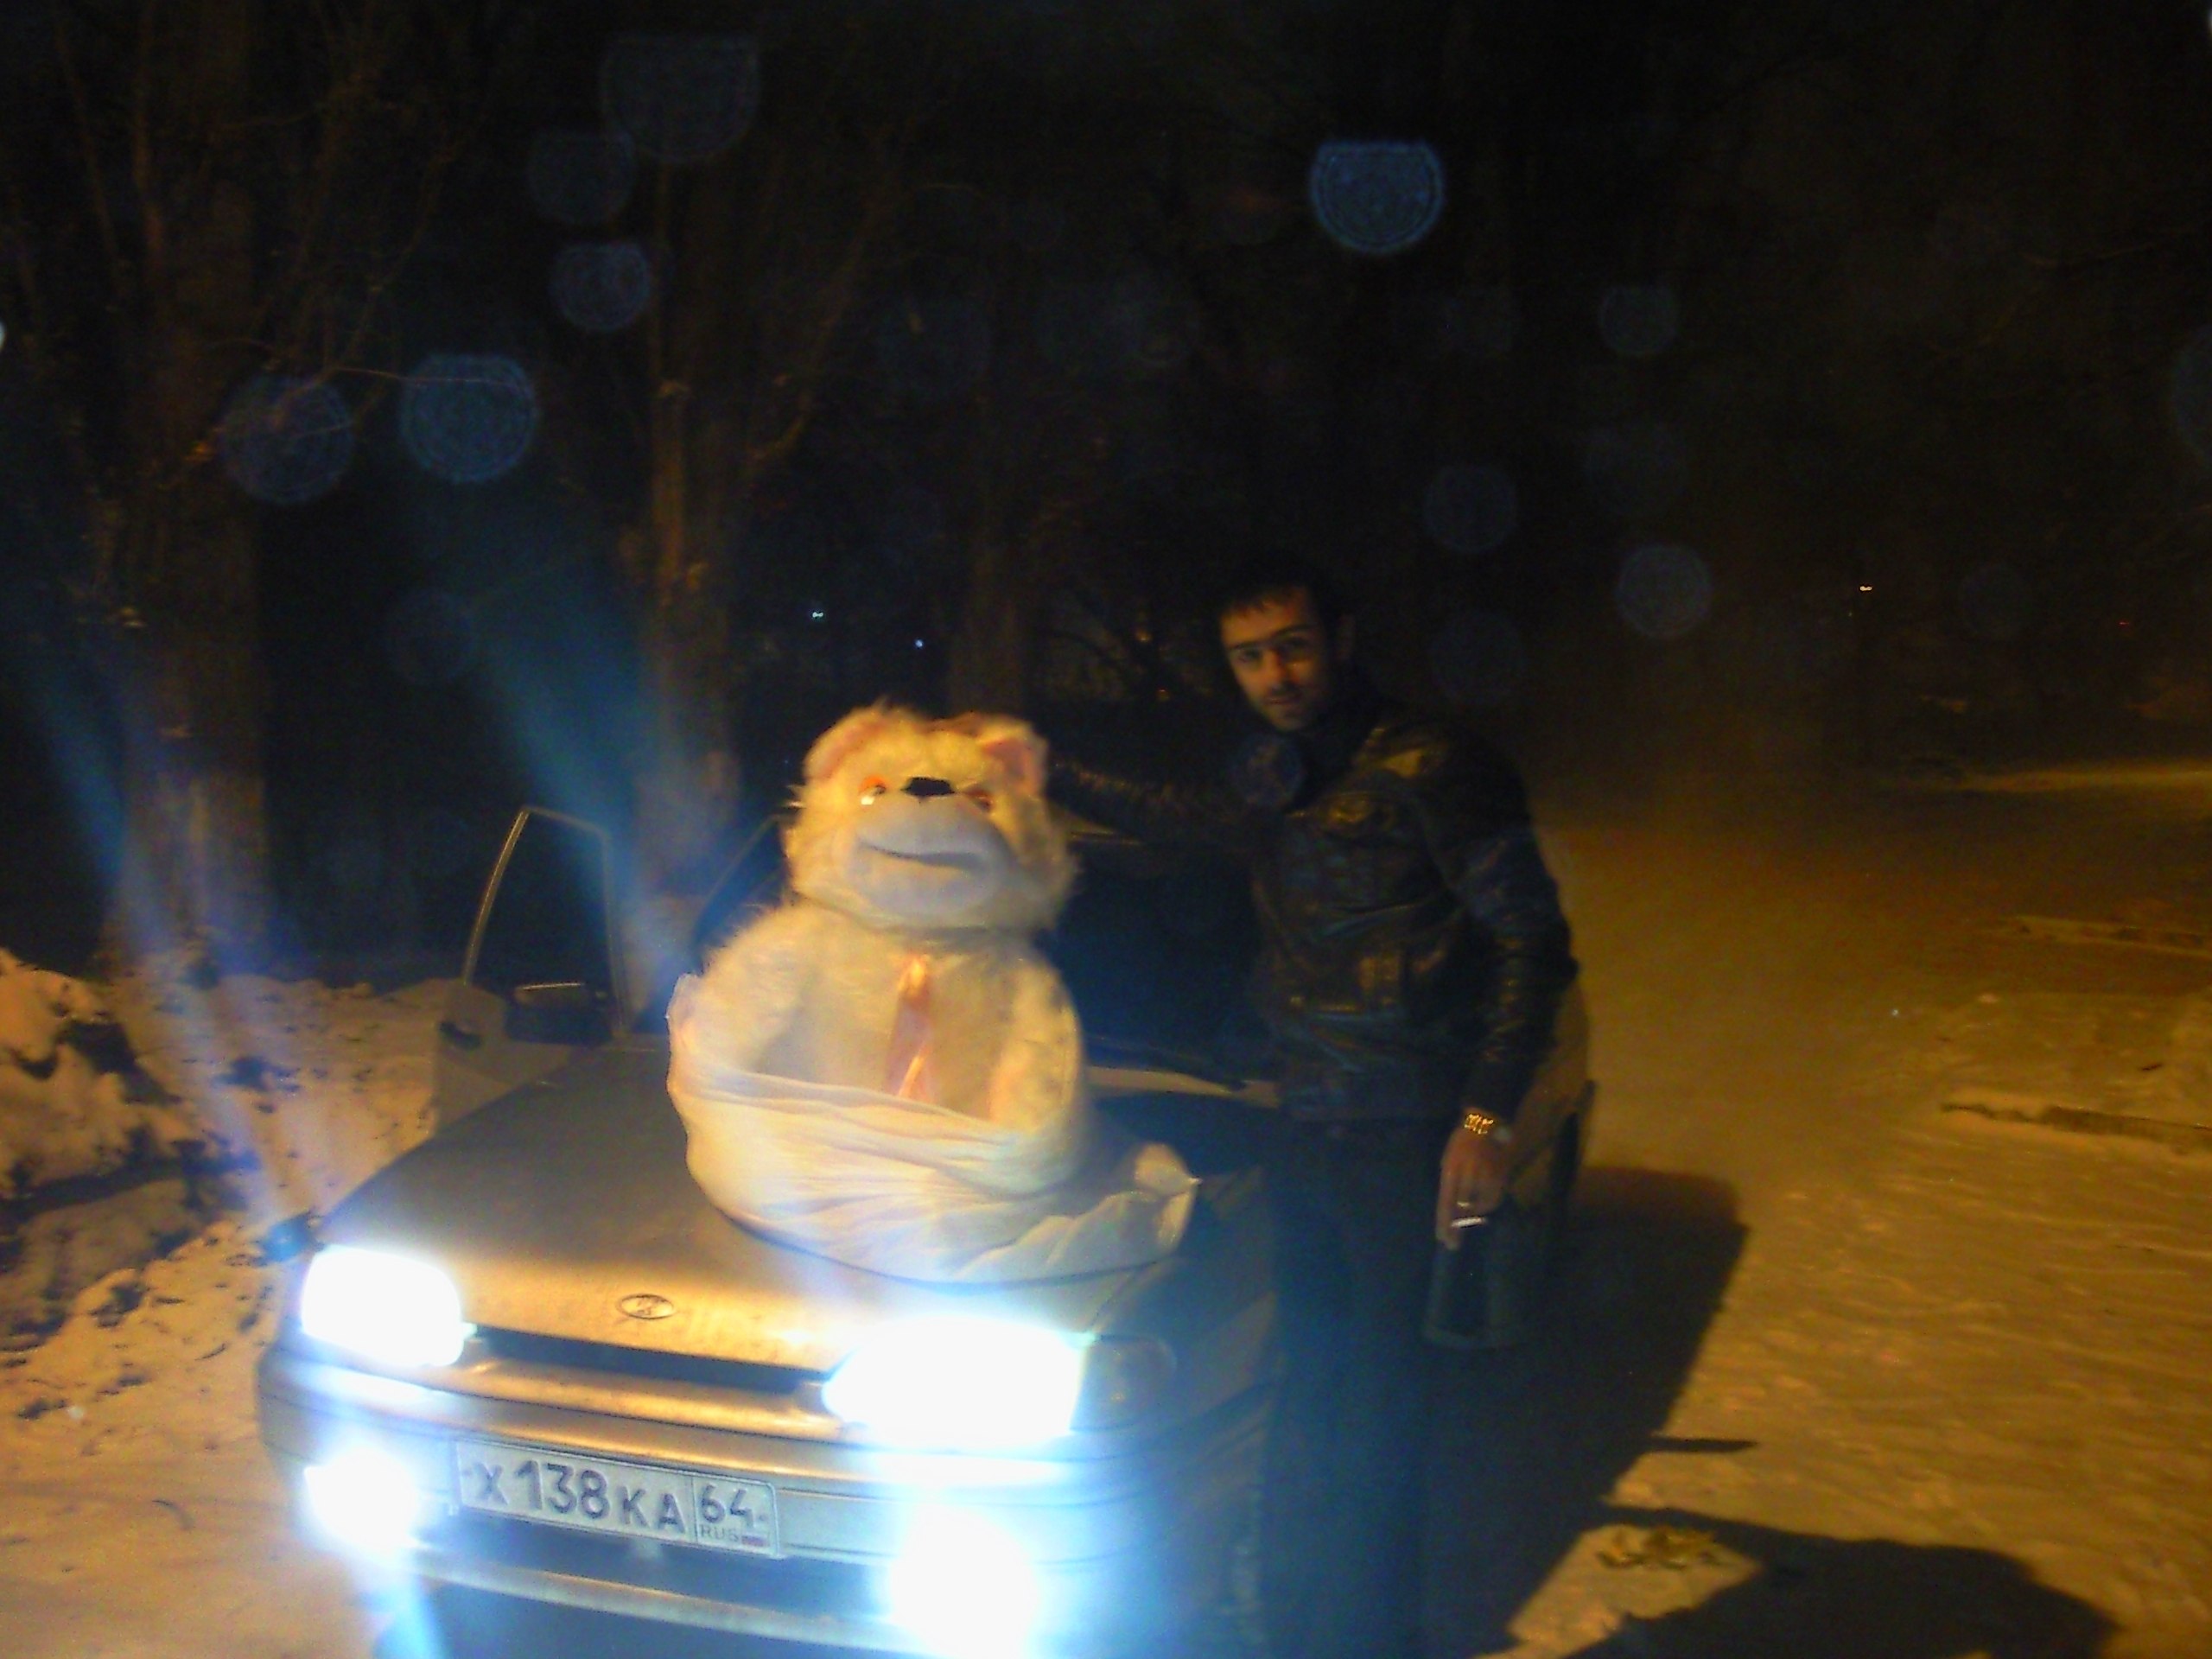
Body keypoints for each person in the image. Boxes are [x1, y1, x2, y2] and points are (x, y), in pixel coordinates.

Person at [1047, 553, 1577, 1659]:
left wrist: (1485, 1121)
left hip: (1407, 1132)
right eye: (1249, 658)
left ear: (1341, 637)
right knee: (1309, 1403)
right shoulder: (1270, 774)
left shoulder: (1439, 767)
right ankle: (1296, 1635)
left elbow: (1530, 943)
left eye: (1292, 647)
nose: (1276, 676)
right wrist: (1040, 767)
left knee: (1382, 1414)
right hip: (1302, 1124)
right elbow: (1176, 817)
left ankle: (1374, 1641)